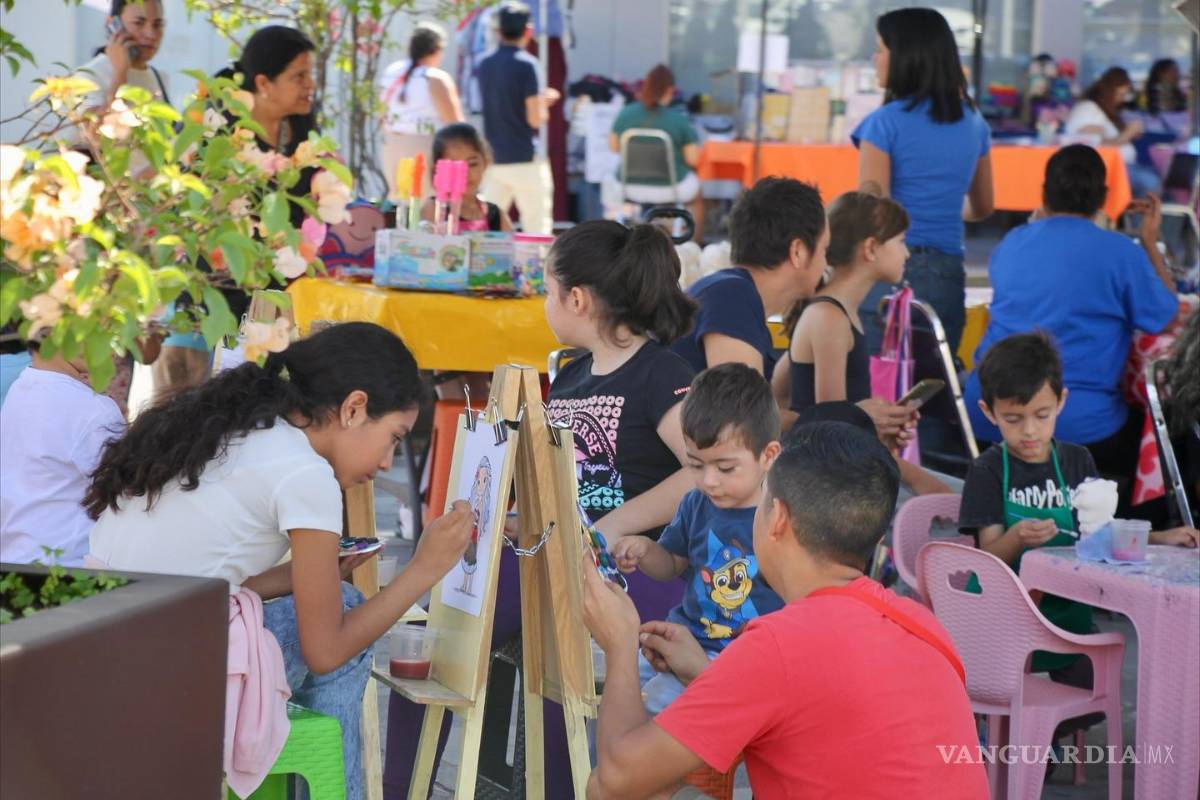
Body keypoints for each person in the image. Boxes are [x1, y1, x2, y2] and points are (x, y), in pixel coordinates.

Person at [86, 323, 475, 800]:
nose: (385, 460)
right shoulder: (305, 474)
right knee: (347, 618)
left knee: (323, 602)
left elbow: (195, 573)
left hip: (102, 651)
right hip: (163, 675)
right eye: (394, 437)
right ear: (354, 408)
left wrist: (291, 578)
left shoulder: (235, 425)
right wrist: (424, 570)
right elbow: (326, 651)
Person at [384, 221, 696, 799]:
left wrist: (604, 528)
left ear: (576, 299)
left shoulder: (662, 373)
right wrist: (513, 518)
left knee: (548, 661)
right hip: (558, 561)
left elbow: (702, 471)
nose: (546, 304)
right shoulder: (573, 375)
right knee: (441, 638)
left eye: (549, 291)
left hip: (632, 572)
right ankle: (405, 786)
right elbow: (554, 481)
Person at [581, 421, 989, 799]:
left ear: (777, 517)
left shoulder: (778, 645)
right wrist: (704, 675)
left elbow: (614, 782)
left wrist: (619, 644)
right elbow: (814, 717)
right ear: (876, 536)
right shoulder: (922, 624)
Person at [960, 333, 1196, 689]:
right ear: (988, 412)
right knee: (1016, 699)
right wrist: (1016, 537)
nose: (1029, 430)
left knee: (1095, 687)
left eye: (1041, 415)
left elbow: (1100, 533)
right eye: (1013, 418)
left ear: (1061, 401)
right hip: (1006, 620)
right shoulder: (987, 471)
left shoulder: (1076, 460)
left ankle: (1059, 739)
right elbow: (988, 557)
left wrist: (1162, 537)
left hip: (1068, 612)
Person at [964, 145, 1179, 510]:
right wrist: (1149, 242)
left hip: (989, 416)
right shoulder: (1118, 251)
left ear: (1044, 192)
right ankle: (1143, 535)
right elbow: (1166, 316)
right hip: (1076, 426)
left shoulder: (1013, 242)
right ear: (1103, 198)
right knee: (1169, 435)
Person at [157, 25, 323, 399]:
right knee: (195, 416)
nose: (309, 85)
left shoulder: (303, 133)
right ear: (264, 83)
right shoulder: (218, 132)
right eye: (298, 76)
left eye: (310, 75)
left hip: (273, 306)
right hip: (211, 299)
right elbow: (188, 213)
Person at [610, 363, 783, 714]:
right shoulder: (695, 503)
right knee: (616, 692)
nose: (709, 481)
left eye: (725, 467)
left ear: (768, 456)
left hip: (742, 661)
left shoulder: (781, 517)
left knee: (652, 712)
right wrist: (646, 550)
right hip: (681, 639)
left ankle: (633, 765)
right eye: (695, 465)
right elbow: (672, 564)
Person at [855, 7, 995, 358]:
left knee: (881, 393)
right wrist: (939, 207)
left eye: (879, 49)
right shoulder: (973, 122)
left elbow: (874, 216)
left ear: (904, 58)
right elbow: (983, 207)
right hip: (949, 273)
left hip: (891, 273)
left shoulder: (883, 124)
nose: (874, 59)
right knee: (932, 393)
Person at [671, 177, 827, 388]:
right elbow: (740, 416)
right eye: (824, 250)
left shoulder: (732, 292)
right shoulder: (731, 298)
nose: (826, 263)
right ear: (797, 251)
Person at [0, 343, 125, 566]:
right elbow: (127, 497)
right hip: (71, 568)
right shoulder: (93, 409)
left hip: (14, 561)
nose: (113, 346)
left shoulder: (20, 388)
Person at [476, 2, 559, 235]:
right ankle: (537, 273)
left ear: (498, 31)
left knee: (486, 230)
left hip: (493, 157)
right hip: (525, 158)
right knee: (537, 231)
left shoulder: (484, 63)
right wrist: (545, 103)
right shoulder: (528, 65)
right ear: (528, 31)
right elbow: (535, 119)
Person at [608, 64, 704, 240]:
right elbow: (693, 159)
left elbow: (613, 147)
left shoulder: (626, 114)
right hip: (671, 188)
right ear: (670, 90)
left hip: (629, 187)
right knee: (697, 196)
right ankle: (694, 245)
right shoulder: (678, 120)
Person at [379, 23, 465, 202]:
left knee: (399, 202)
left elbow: (381, 113)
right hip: (425, 148)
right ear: (436, 49)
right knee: (427, 204)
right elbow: (455, 125)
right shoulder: (435, 78)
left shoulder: (392, 71)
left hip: (392, 146)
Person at [1065, 67, 1160, 197]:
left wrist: (1128, 135)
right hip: (1107, 170)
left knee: (1158, 176)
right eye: (1120, 95)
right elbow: (1095, 145)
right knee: (1150, 182)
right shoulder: (1089, 110)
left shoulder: (1102, 112)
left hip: (1123, 166)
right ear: (1109, 92)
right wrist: (1127, 134)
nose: (1122, 99)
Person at [76, 0, 169, 113]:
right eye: (138, 23)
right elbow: (94, 129)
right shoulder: (88, 76)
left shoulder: (159, 77)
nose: (151, 34)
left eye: (157, 25)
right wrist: (120, 74)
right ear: (114, 25)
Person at [420, 123, 512, 232]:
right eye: (454, 166)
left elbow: (512, 246)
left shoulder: (497, 216)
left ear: (485, 163)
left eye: (472, 164)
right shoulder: (433, 209)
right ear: (438, 169)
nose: (465, 173)